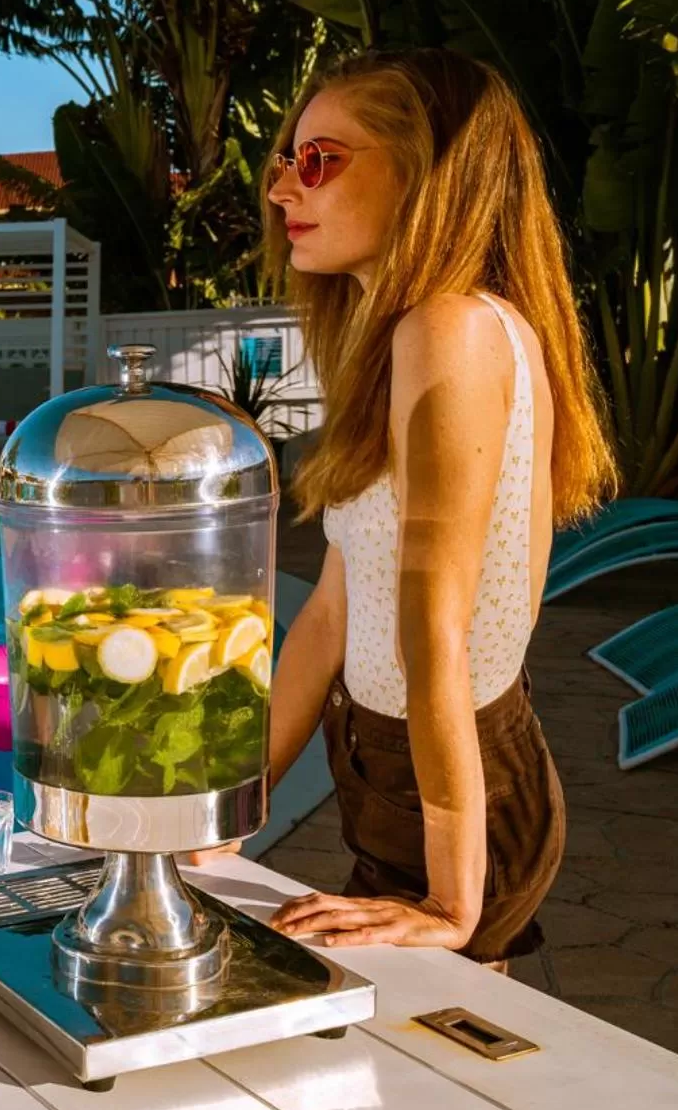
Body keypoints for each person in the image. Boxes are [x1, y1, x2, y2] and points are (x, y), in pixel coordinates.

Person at [191, 49, 617, 967]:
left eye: (320, 161)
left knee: (436, 1050)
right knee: (427, 1060)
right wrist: (223, 816)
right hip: (397, 762)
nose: (280, 190)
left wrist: (452, 899)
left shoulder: (451, 330)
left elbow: (437, 626)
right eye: (284, 161)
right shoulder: (400, 342)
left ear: (429, 173)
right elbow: (335, 612)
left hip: (459, 782)